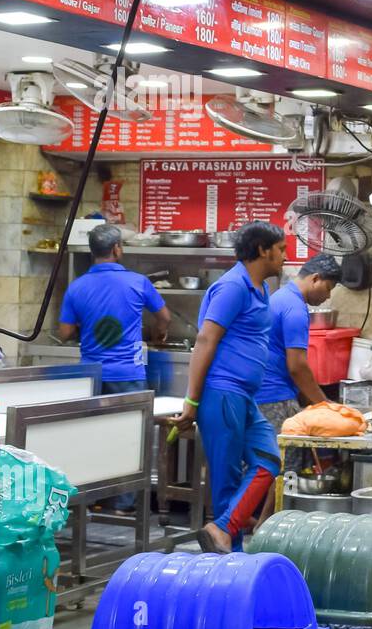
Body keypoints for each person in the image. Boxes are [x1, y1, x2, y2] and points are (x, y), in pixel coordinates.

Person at [166, 221, 287, 554]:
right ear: (263, 250)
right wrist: (191, 401)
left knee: (268, 461)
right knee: (226, 482)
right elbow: (205, 339)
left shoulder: (259, 288)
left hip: (243, 397)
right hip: (222, 394)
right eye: (280, 250)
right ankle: (227, 560)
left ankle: (222, 530)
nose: (284, 257)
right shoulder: (233, 286)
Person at [59, 223, 171, 514]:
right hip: (128, 374)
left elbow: (65, 332)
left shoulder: (78, 286)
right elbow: (165, 317)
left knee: (91, 437)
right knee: (129, 439)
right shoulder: (137, 282)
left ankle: (93, 500)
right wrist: (158, 334)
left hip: (90, 376)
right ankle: (124, 503)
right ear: (117, 248)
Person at [255, 253, 342, 438]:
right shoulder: (295, 309)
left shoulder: (281, 297)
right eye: (328, 288)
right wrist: (324, 404)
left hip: (261, 393)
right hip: (274, 398)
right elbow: (297, 367)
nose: (327, 296)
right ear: (315, 278)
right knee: (282, 464)